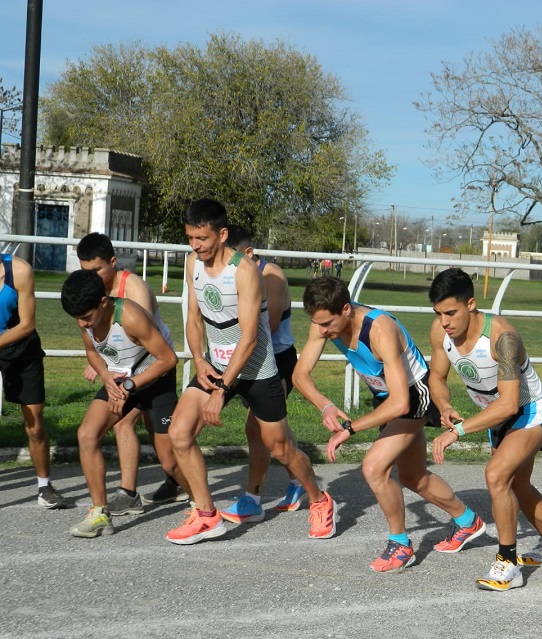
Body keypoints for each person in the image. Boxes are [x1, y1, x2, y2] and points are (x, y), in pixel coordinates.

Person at [165, 198, 335, 545]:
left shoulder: (245, 271)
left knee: (282, 449)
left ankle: (319, 499)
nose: (196, 246)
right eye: (190, 238)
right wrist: (199, 359)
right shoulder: (191, 264)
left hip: (257, 371)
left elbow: (250, 339)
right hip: (216, 368)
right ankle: (207, 515)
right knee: (179, 433)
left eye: (202, 239)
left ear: (222, 234)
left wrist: (222, 391)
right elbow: (194, 318)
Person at [294, 276, 484, 572]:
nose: (321, 331)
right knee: (413, 478)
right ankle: (468, 521)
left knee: (374, 467)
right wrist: (325, 405)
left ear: (345, 309)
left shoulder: (379, 330)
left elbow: (401, 403)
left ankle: (401, 545)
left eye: (326, 323)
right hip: (387, 397)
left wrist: (350, 428)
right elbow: (300, 375)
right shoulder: (325, 322)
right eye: (317, 323)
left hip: (413, 394)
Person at [429, 268, 542, 592]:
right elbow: (437, 379)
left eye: (451, 312)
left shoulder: (503, 338)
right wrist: (444, 407)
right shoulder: (440, 333)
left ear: (470, 304)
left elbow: (510, 403)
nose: (445, 322)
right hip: (497, 416)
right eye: (439, 314)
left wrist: (457, 431)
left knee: (496, 476)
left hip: (531, 410)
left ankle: (508, 563)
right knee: (518, 488)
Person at [60, 270, 179, 538]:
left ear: (103, 303)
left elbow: (168, 359)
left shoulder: (131, 316)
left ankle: (201, 506)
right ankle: (100, 512)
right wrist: (106, 376)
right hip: (122, 380)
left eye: (87, 318)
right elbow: (92, 352)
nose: (83, 324)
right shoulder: (84, 320)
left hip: (154, 376)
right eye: (78, 319)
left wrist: (130, 386)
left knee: (170, 461)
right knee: (87, 434)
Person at [76, 232, 186, 511]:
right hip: (124, 371)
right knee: (122, 425)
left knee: (160, 442)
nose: (91, 277)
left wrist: (120, 383)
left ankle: (193, 492)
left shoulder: (134, 290)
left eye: (97, 270)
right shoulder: (92, 295)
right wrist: (103, 370)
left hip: (151, 366)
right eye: (85, 271)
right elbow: (96, 341)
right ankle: (129, 493)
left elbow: (143, 348)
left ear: (113, 262)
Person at [219, 225, 308, 522]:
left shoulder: (270, 276)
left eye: (230, 256)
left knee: (256, 430)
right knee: (273, 432)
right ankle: (299, 482)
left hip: (276, 358)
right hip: (244, 357)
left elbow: (264, 329)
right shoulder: (233, 272)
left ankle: (253, 499)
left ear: (247, 253)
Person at [0, 253, 69, 508]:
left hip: (20, 348)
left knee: (35, 424)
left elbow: (27, 324)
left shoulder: (19, 270)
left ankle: (44, 487)